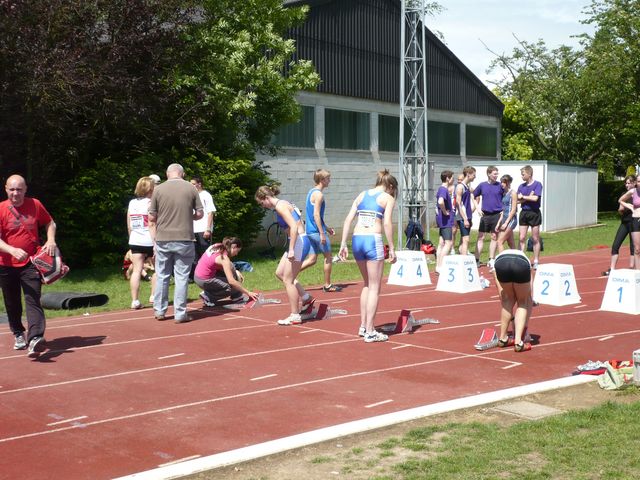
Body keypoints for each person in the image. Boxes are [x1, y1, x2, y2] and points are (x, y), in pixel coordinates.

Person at [0, 174, 57, 356]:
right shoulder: (1, 209)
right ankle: (18, 333)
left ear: (25, 189)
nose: (15, 193)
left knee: (33, 298)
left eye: (19, 189)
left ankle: (35, 338)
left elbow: (50, 223)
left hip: (31, 263)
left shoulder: (35, 204)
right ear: (6, 189)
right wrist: (11, 250)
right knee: (12, 301)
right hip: (6, 264)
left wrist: (51, 240)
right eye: (12, 189)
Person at [338, 169, 397, 343]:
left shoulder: (361, 195)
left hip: (357, 240)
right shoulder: (388, 198)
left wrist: (343, 244)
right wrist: (392, 247)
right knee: (375, 287)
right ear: (390, 186)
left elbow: (348, 219)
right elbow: (387, 223)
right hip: (372, 240)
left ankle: (364, 326)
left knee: (367, 284)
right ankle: (370, 331)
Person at [148, 163, 203, 323]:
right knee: (181, 277)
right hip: (185, 238)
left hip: (163, 238)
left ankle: (159, 311)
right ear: (183, 174)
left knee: (162, 275)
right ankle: (180, 313)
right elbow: (199, 213)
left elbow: (151, 216)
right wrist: (188, 216)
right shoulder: (191, 188)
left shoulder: (158, 189)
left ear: (167, 174)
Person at [255, 184, 313, 325]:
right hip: (296, 241)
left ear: (266, 198)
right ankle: (305, 297)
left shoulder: (280, 206)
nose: (263, 206)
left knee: (289, 280)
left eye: (262, 203)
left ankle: (295, 315)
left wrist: (292, 249)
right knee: (280, 273)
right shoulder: (283, 203)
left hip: (298, 241)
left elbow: (294, 226)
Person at [299, 169, 342, 292]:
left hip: (311, 231)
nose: (330, 181)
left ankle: (290, 275)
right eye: (328, 178)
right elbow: (316, 215)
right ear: (322, 180)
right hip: (317, 232)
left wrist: (327, 228)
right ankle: (328, 285)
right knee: (328, 257)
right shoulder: (319, 195)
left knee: (312, 260)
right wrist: (322, 233)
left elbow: (317, 216)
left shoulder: (311, 192)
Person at [194, 237, 259, 306]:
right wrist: (248, 292)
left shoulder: (217, 246)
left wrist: (235, 271)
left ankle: (237, 296)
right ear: (234, 247)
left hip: (197, 274)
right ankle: (208, 296)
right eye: (237, 251)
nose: (236, 254)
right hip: (204, 280)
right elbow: (231, 281)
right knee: (232, 286)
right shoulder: (224, 258)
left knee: (232, 267)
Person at [493, 248, 533, 352]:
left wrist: (505, 296)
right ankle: (519, 342)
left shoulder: (497, 258)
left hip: (500, 262)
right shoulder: (526, 260)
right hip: (521, 263)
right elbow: (529, 293)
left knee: (508, 300)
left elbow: (497, 281)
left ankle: (503, 338)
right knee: (523, 301)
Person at [127, 176, 157, 309]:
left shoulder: (132, 203)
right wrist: (156, 242)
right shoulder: (151, 203)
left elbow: (129, 224)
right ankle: (153, 296)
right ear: (150, 188)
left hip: (135, 239)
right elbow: (152, 223)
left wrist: (131, 237)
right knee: (158, 269)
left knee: (136, 271)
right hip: (149, 240)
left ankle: (135, 300)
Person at [604, 175, 636, 276]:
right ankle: (612, 269)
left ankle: (632, 268)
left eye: (629, 183)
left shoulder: (637, 194)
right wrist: (622, 209)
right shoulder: (624, 194)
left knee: (633, 247)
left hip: (634, 223)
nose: (627, 185)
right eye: (626, 183)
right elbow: (620, 210)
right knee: (615, 245)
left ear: (634, 183)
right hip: (624, 223)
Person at [474, 165, 503, 269]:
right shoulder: (482, 185)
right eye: (495, 174)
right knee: (481, 237)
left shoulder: (500, 186)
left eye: (497, 174)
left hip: (496, 215)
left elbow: (506, 197)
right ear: (489, 174)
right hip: (485, 215)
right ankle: (476, 259)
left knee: (494, 237)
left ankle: (491, 259)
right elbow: (473, 195)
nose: (496, 176)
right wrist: (477, 207)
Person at [189, 176, 216, 280]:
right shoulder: (191, 196)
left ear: (199, 184)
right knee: (193, 254)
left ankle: (208, 274)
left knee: (205, 253)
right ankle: (194, 276)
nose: (191, 186)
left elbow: (210, 213)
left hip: (203, 229)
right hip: (193, 229)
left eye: (193, 184)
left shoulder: (206, 195)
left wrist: (208, 229)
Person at [517, 165, 543, 269]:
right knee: (521, 237)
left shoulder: (537, 184)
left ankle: (536, 260)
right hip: (524, 212)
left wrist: (524, 197)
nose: (522, 176)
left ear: (529, 174)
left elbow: (535, 198)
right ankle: (520, 259)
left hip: (534, 213)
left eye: (523, 174)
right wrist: (527, 197)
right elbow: (518, 200)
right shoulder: (521, 186)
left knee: (535, 238)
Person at [618, 175, 640, 271]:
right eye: (639, 181)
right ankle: (638, 273)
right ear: (635, 183)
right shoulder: (632, 192)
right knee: (637, 249)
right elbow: (620, 200)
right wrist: (630, 206)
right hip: (636, 220)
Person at [435, 170, 455, 273]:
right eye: (452, 177)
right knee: (448, 243)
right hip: (445, 221)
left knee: (441, 243)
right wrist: (444, 211)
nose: (453, 179)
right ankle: (441, 266)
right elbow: (440, 201)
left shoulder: (442, 189)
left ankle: (438, 266)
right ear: (448, 178)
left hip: (442, 221)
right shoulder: (443, 189)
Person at [455, 166, 476, 256]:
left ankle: (461, 256)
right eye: (474, 175)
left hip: (468, 215)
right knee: (466, 239)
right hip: (463, 217)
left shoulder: (467, 187)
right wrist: (465, 219)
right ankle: (464, 261)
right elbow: (458, 204)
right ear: (468, 174)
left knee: (463, 240)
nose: (475, 177)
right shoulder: (460, 187)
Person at [495, 174, 518, 252]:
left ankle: (502, 262)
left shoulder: (513, 193)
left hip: (511, 220)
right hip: (504, 219)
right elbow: (503, 210)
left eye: (503, 182)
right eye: (501, 182)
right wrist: (499, 223)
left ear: (508, 183)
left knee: (499, 242)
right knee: (511, 243)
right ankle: (516, 260)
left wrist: (506, 223)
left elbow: (513, 210)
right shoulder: (504, 194)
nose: (501, 184)